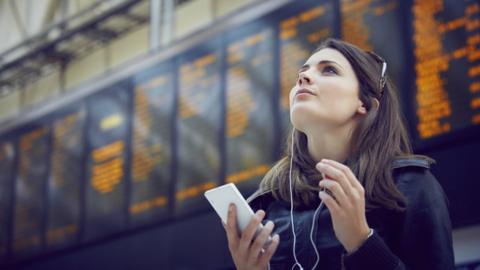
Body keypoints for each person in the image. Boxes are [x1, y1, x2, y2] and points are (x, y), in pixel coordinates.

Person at [222, 38, 455, 270]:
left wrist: (362, 242)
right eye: (301, 74)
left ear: (365, 104)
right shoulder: (269, 205)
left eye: (329, 70)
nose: (303, 78)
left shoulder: (410, 186)